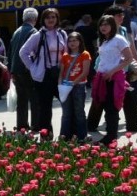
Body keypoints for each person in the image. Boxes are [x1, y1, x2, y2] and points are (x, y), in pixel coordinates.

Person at [18, 8, 66, 138]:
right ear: (43, 20)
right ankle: (46, 135)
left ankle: (67, 134)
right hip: (44, 76)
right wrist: (32, 68)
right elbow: (23, 52)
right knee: (45, 108)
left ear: (57, 19)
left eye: (53, 17)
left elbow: (67, 53)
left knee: (67, 104)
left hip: (60, 75)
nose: (51, 20)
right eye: (47, 17)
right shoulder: (38, 35)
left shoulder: (62, 34)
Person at [89, 14, 134, 146]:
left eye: (107, 24)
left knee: (112, 107)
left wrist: (112, 71)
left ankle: (111, 136)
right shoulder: (102, 40)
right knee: (102, 105)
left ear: (112, 26)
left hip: (114, 77)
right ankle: (109, 135)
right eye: (101, 24)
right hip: (102, 77)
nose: (103, 27)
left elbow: (129, 58)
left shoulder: (119, 39)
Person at [8, 8, 39, 131]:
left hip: (16, 69)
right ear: (35, 20)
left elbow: (10, 52)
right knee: (34, 98)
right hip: (27, 69)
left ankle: (22, 125)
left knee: (22, 99)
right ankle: (36, 125)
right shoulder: (33, 31)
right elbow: (34, 52)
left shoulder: (17, 31)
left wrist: (11, 70)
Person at [59, 31, 91, 142]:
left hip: (79, 86)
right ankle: (64, 136)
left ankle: (82, 136)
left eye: (75, 40)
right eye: (70, 41)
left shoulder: (85, 54)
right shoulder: (65, 55)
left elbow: (85, 72)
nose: (72, 43)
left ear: (80, 41)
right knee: (66, 113)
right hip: (66, 87)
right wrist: (60, 84)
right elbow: (61, 72)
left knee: (79, 112)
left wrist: (74, 83)